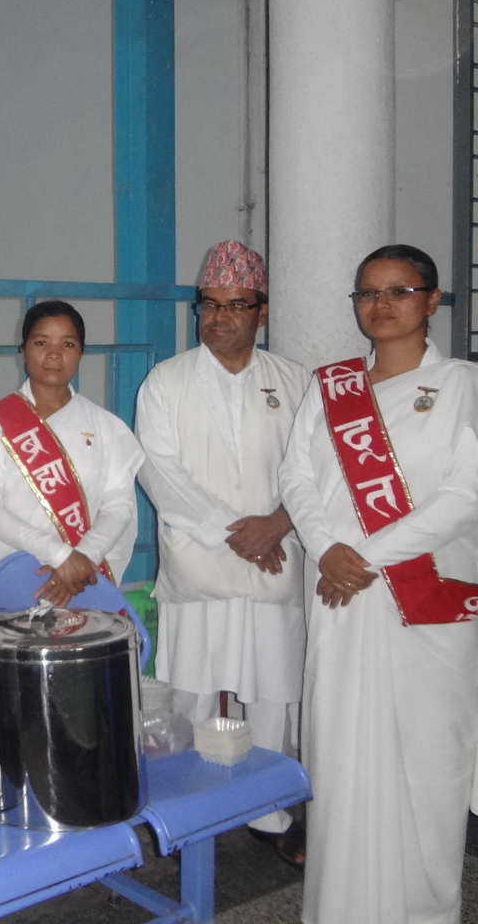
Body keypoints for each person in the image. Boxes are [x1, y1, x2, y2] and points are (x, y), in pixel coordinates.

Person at [280, 244, 478, 924]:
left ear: (432, 300)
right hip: (339, 596)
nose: (382, 305)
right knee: (342, 755)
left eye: (399, 291)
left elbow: (464, 496)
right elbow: (295, 478)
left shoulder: (463, 386)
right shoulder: (329, 385)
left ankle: (424, 910)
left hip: (422, 601)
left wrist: (360, 557)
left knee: (427, 760)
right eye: (368, 293)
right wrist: (326, 546)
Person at [135, 241, 305, 860]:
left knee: (273, 690)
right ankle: (182, 811)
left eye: (236, 305)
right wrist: (243, 533)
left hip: (276, 562)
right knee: (189, 692)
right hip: (200, 562)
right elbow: (161, 473)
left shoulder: (294, 381)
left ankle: (271, 808)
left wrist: (279, 523)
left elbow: (312, 472)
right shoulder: (167, 381)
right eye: (209, 304)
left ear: (261, 310)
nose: (220, 317)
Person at [0, 300, 144, 605]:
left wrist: (82, 558)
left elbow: (118, 506)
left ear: (81, 352)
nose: (54, 354)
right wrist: (59, 556)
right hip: (10, 578)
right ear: (23, 350)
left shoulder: (107, 428)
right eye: (41, 342)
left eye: (68, 344)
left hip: (83, 580)